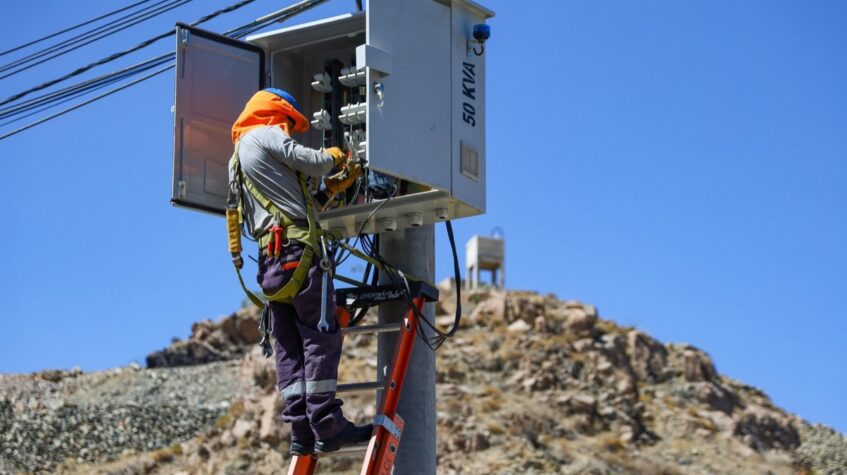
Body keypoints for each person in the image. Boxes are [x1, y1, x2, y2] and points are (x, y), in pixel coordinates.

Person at [229, 88, 369, 456]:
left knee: (288, 346)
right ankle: (328, 424)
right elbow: (309, 160)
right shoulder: (266, 130)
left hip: (271, 265)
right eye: (290, 125)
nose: (290, 132)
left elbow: (289, 209)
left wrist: (327, 194)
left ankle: (302, 431)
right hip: (298, 257)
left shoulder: (240, 157)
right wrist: (332, 158)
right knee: (320, 335)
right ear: (279, 113)